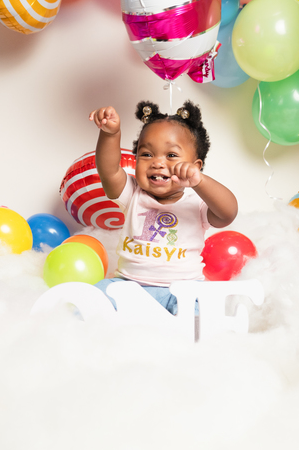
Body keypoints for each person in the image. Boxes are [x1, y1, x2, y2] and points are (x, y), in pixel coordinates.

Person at [89, 100, 238, 314]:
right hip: (129, 286)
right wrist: (110, 134)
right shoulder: (132, 193)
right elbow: (109, 170)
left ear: (195, 167)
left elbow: (228, 213)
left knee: (202, 307)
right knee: (96, 296)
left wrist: (201, 182)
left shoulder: (197, 202)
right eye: (146, 154)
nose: (157, 163)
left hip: (182, 290)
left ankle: (187, 331)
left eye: (171, 155)